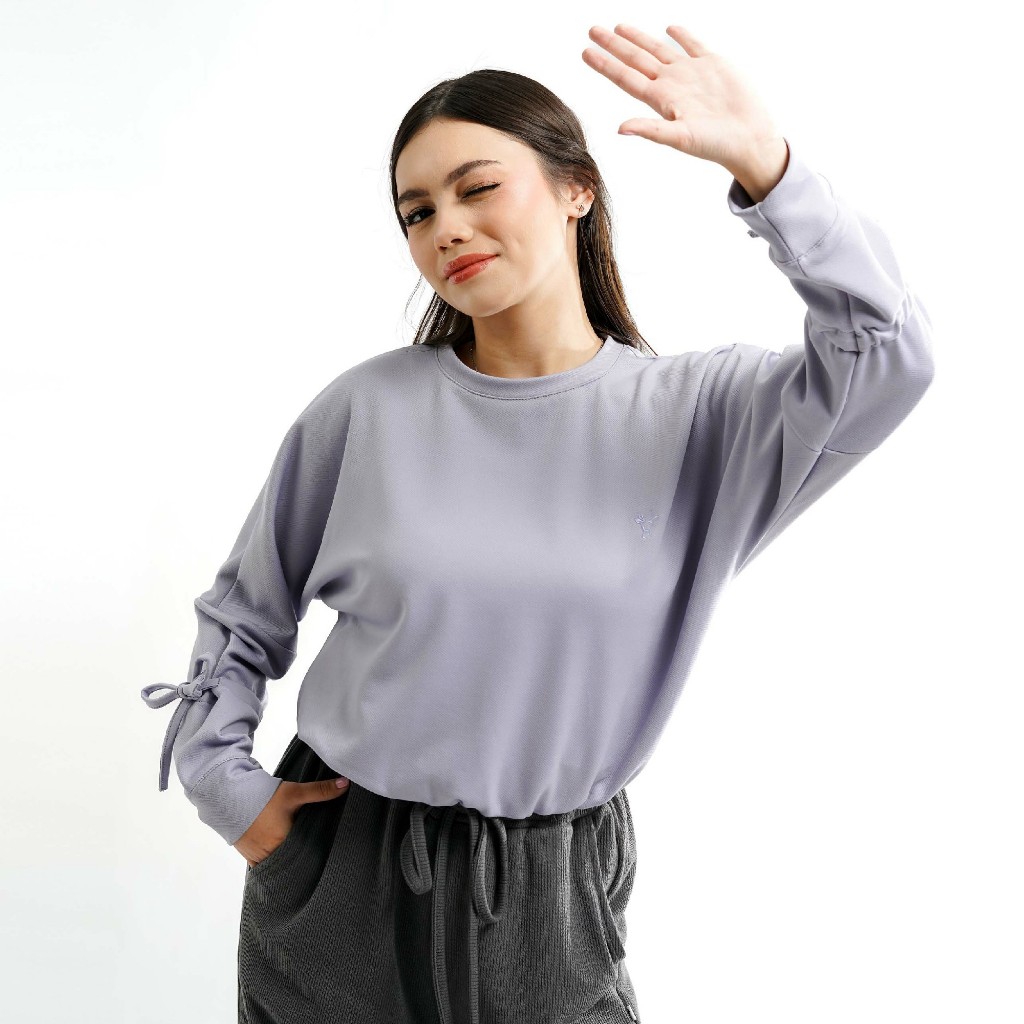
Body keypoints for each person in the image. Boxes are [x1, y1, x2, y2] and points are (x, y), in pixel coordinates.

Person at [139, 22, 935, 1024]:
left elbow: (888, 354)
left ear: (577, 190)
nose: (446, 228)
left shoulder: (705, 418)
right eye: (417, 211)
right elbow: (245, 613)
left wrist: (769, 171)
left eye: (477, 188)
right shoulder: (364, 411)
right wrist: (226, 784)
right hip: (340, 865)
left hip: (552, 890)